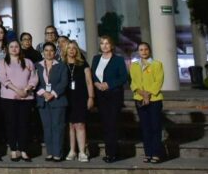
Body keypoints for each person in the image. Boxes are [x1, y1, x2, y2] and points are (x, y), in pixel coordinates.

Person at [92, 35, 129, 163]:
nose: (104, 45)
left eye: (107, 43)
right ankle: (112, 151)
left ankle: (112, 153)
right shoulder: (96, 59)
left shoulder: (118, 60)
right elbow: (93, 74)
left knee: (112, 124)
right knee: (105, 125)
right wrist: (96, 83)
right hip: (101, 96)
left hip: (114, 95)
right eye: (102, 43)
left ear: (112, 45)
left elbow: (123, 77)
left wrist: (109, 84)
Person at [0, 39, 37, 162]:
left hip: (26, 97)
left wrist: (26, 90)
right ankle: (14, 150)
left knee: (24, 124)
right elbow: (3, 78)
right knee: (11, 124)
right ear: (7, 49)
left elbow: (34, 78)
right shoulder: (2, 62)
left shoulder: (28, 62)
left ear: (20, 48)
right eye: (11, 47)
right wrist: (17, 90)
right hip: (9, 98)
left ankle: (24, 150)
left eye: (16, 46)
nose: (14, 49)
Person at [130, 41, 166, 163]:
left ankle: (156, 153)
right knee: (145, 127)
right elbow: (133, 82)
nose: (143, 52)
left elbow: (158, 81)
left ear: (149, 51)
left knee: (155, 127)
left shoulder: (157, 64)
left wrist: (149, 94)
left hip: (154, 99)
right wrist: (142, 94)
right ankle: (148, 153)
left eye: (145, 49)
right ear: (138, 52)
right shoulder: (134, 65)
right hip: (139, 99)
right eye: (141, 50)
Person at [35, 41, 69, 161]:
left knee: (57, 127)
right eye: (46, 50)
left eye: (51, 50)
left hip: (57, 100)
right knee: (47, 127)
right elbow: (34, 82)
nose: (49, 53)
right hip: (42, 100)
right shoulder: (36, 65)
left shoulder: (61, 65)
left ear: (55, 52)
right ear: (43, 52)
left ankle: (58, 153)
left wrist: (53, 93)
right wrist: (44, 93)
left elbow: (64, 82)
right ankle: (50, 152)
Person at [65, 41, 94, 162]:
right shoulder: (62, 64)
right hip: (67, 98)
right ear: (66, 50)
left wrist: (91, 97)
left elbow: (89, 81)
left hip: (81, 97)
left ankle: (82, 151)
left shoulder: (83, 64)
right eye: (69, 48)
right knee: (71, 125)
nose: (71, 50)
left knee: (80, 124)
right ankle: (72, 151)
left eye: (74, 48)